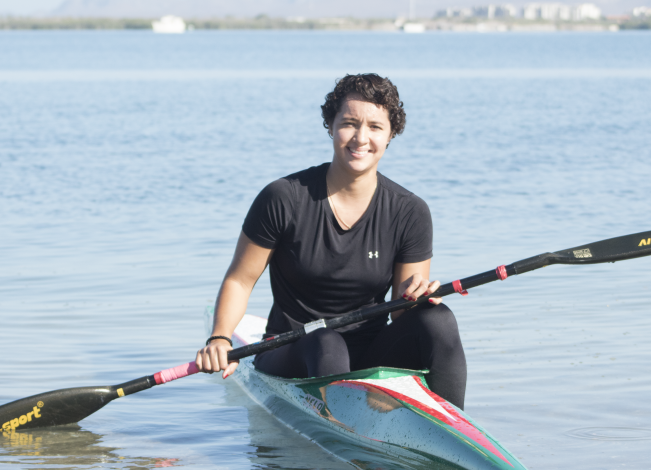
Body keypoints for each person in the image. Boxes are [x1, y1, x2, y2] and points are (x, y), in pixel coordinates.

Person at [195, 74, 468, 409]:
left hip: (370, 349)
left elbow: (401, 312)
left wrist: (419, 297)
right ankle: (345, 424)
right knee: (326, 343)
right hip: (293, 347)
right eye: (349, 124)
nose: (361, 138)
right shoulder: (283, 198)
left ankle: (454, 428)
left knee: (439, 319)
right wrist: (220, 337)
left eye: (375, 127)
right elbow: (240, 280)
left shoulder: (410, 211)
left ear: (391, 134)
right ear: (330, 126)